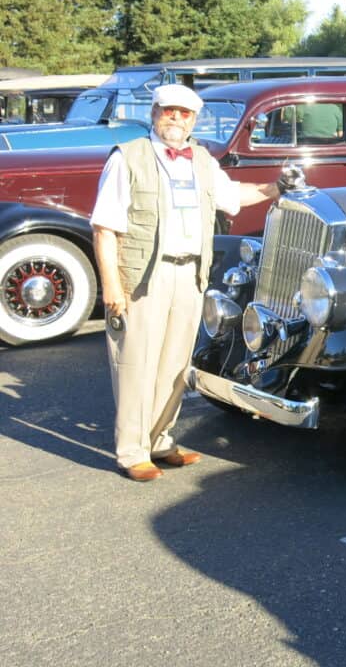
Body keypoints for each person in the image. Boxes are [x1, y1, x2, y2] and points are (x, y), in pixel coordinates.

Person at [90, 84, 302, 482]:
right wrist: (112, 287)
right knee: (136, 363)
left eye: (184, 113)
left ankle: (160, 441)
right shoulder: (128, 158)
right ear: (154, 114)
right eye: (168, 111)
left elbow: (235, 194)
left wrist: (278, 187)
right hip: (144, 276)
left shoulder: (201, 160)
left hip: (190, 274)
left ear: (195, 120)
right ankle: (131, 451)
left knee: (174, 364)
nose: (176, 119)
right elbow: (104, 228)